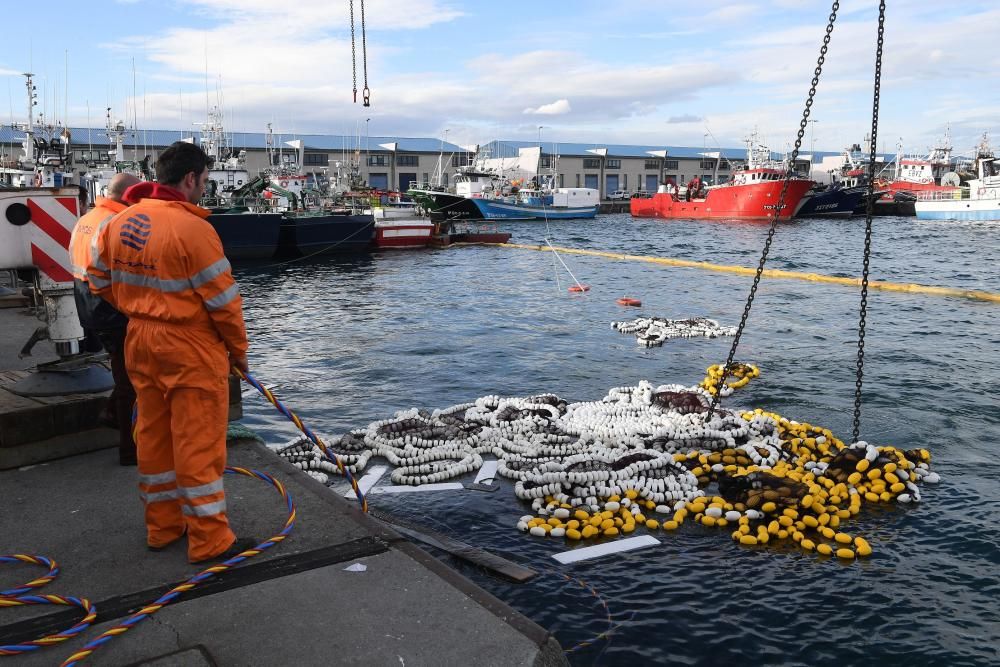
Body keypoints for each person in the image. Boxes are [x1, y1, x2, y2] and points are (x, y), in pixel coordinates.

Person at [87, 142, 253, 563]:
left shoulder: (119, 222)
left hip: (140, 340)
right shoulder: (193, 229)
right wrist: (238, 355)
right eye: (205, 180)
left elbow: (97, 279)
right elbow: (224, 304)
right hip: (189, 347)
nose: (204, 188)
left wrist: (136, 308)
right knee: (197, 442)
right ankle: (210, 540)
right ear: (191, 178)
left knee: (155, 437)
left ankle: (162, 527)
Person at [69, 173, 142, 465]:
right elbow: (119, 273)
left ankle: (112, 413)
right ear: (128, 196)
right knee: (131, 382)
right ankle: (129, 450)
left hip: (87, 305)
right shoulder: (115, 223)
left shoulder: (88, 218)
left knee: (123, 370)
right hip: (109, 308)